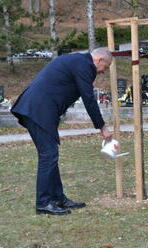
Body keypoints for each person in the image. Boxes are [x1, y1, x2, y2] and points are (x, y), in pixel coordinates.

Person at [11, 47, 113, 215]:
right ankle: (43, 203)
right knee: (48, 155)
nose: (103, 72)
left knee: (50, 154)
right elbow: (88, 98)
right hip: (38, 109)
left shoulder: (77, 61)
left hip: (40, 109)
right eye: (106, 67)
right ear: (99, 60)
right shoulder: (84, 65)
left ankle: (57, 197)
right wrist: (102, 127)